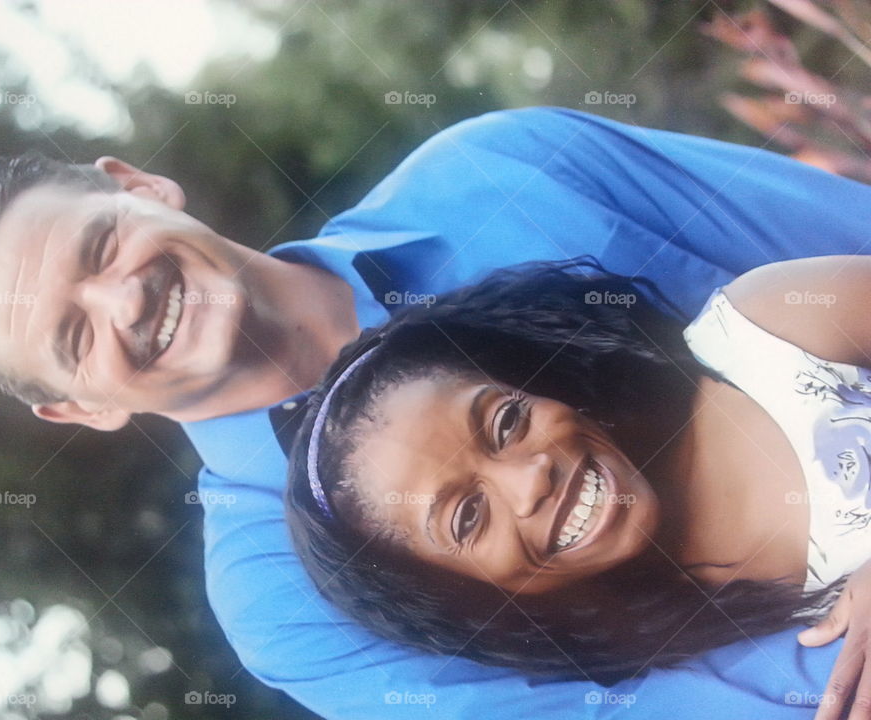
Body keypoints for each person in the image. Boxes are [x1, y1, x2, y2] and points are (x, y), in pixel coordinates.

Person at [0, 107, 871, 718]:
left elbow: (846, 243)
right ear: (77, 407)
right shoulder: (275, 604)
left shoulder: (500, 172)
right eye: (74, 338)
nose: (122, 303)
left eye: (100, 248)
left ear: (139, 188)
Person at [286, 255, 871, 691]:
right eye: (467, 516)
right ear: (462, 595)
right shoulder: (689, 679)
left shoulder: (770, 329)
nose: (530, 478)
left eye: (506, 423)